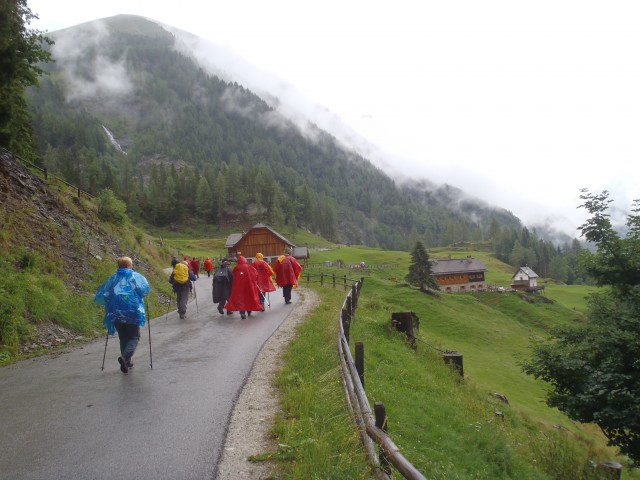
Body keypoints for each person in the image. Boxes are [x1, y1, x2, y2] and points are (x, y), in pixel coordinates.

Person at [94, 256, 150, 374]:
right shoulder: (136, 277)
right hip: (132, 312)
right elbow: (144, 290)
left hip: (115, 313)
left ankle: (127, 361)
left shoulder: (113, 278)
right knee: (134, 336)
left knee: (123, 337)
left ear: (119, 266)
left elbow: (105, 294)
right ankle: (125, 358)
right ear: (130, 265)